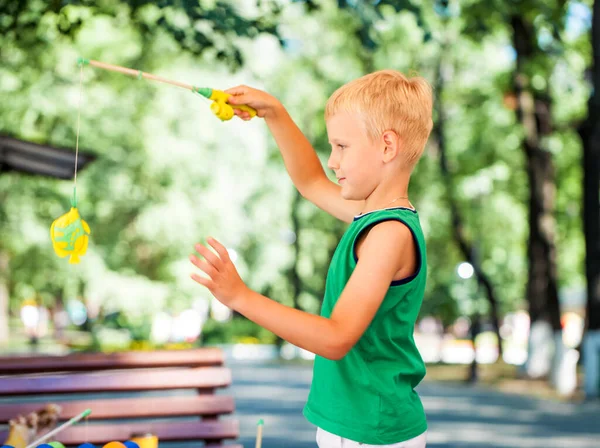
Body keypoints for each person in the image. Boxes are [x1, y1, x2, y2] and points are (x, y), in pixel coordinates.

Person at [189, 69, 433, 448]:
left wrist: (240, 297)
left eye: (342, 147)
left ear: (387, 147)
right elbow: (310, 182)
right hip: (353, 426)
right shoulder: (370, 216)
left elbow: (336, 338)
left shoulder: (390, 233)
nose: (333, 162)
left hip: (374, 431)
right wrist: (274, 111)